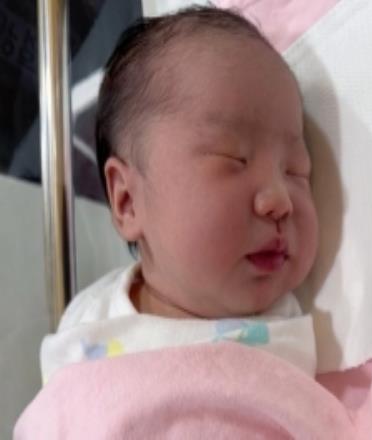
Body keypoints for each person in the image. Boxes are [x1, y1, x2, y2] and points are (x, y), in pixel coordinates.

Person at [40, 6, 319, 383]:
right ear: (128, 201)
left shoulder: (287, 337)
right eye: (233, 159)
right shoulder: (90, 322)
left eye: (296, 171)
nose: (280, 201)